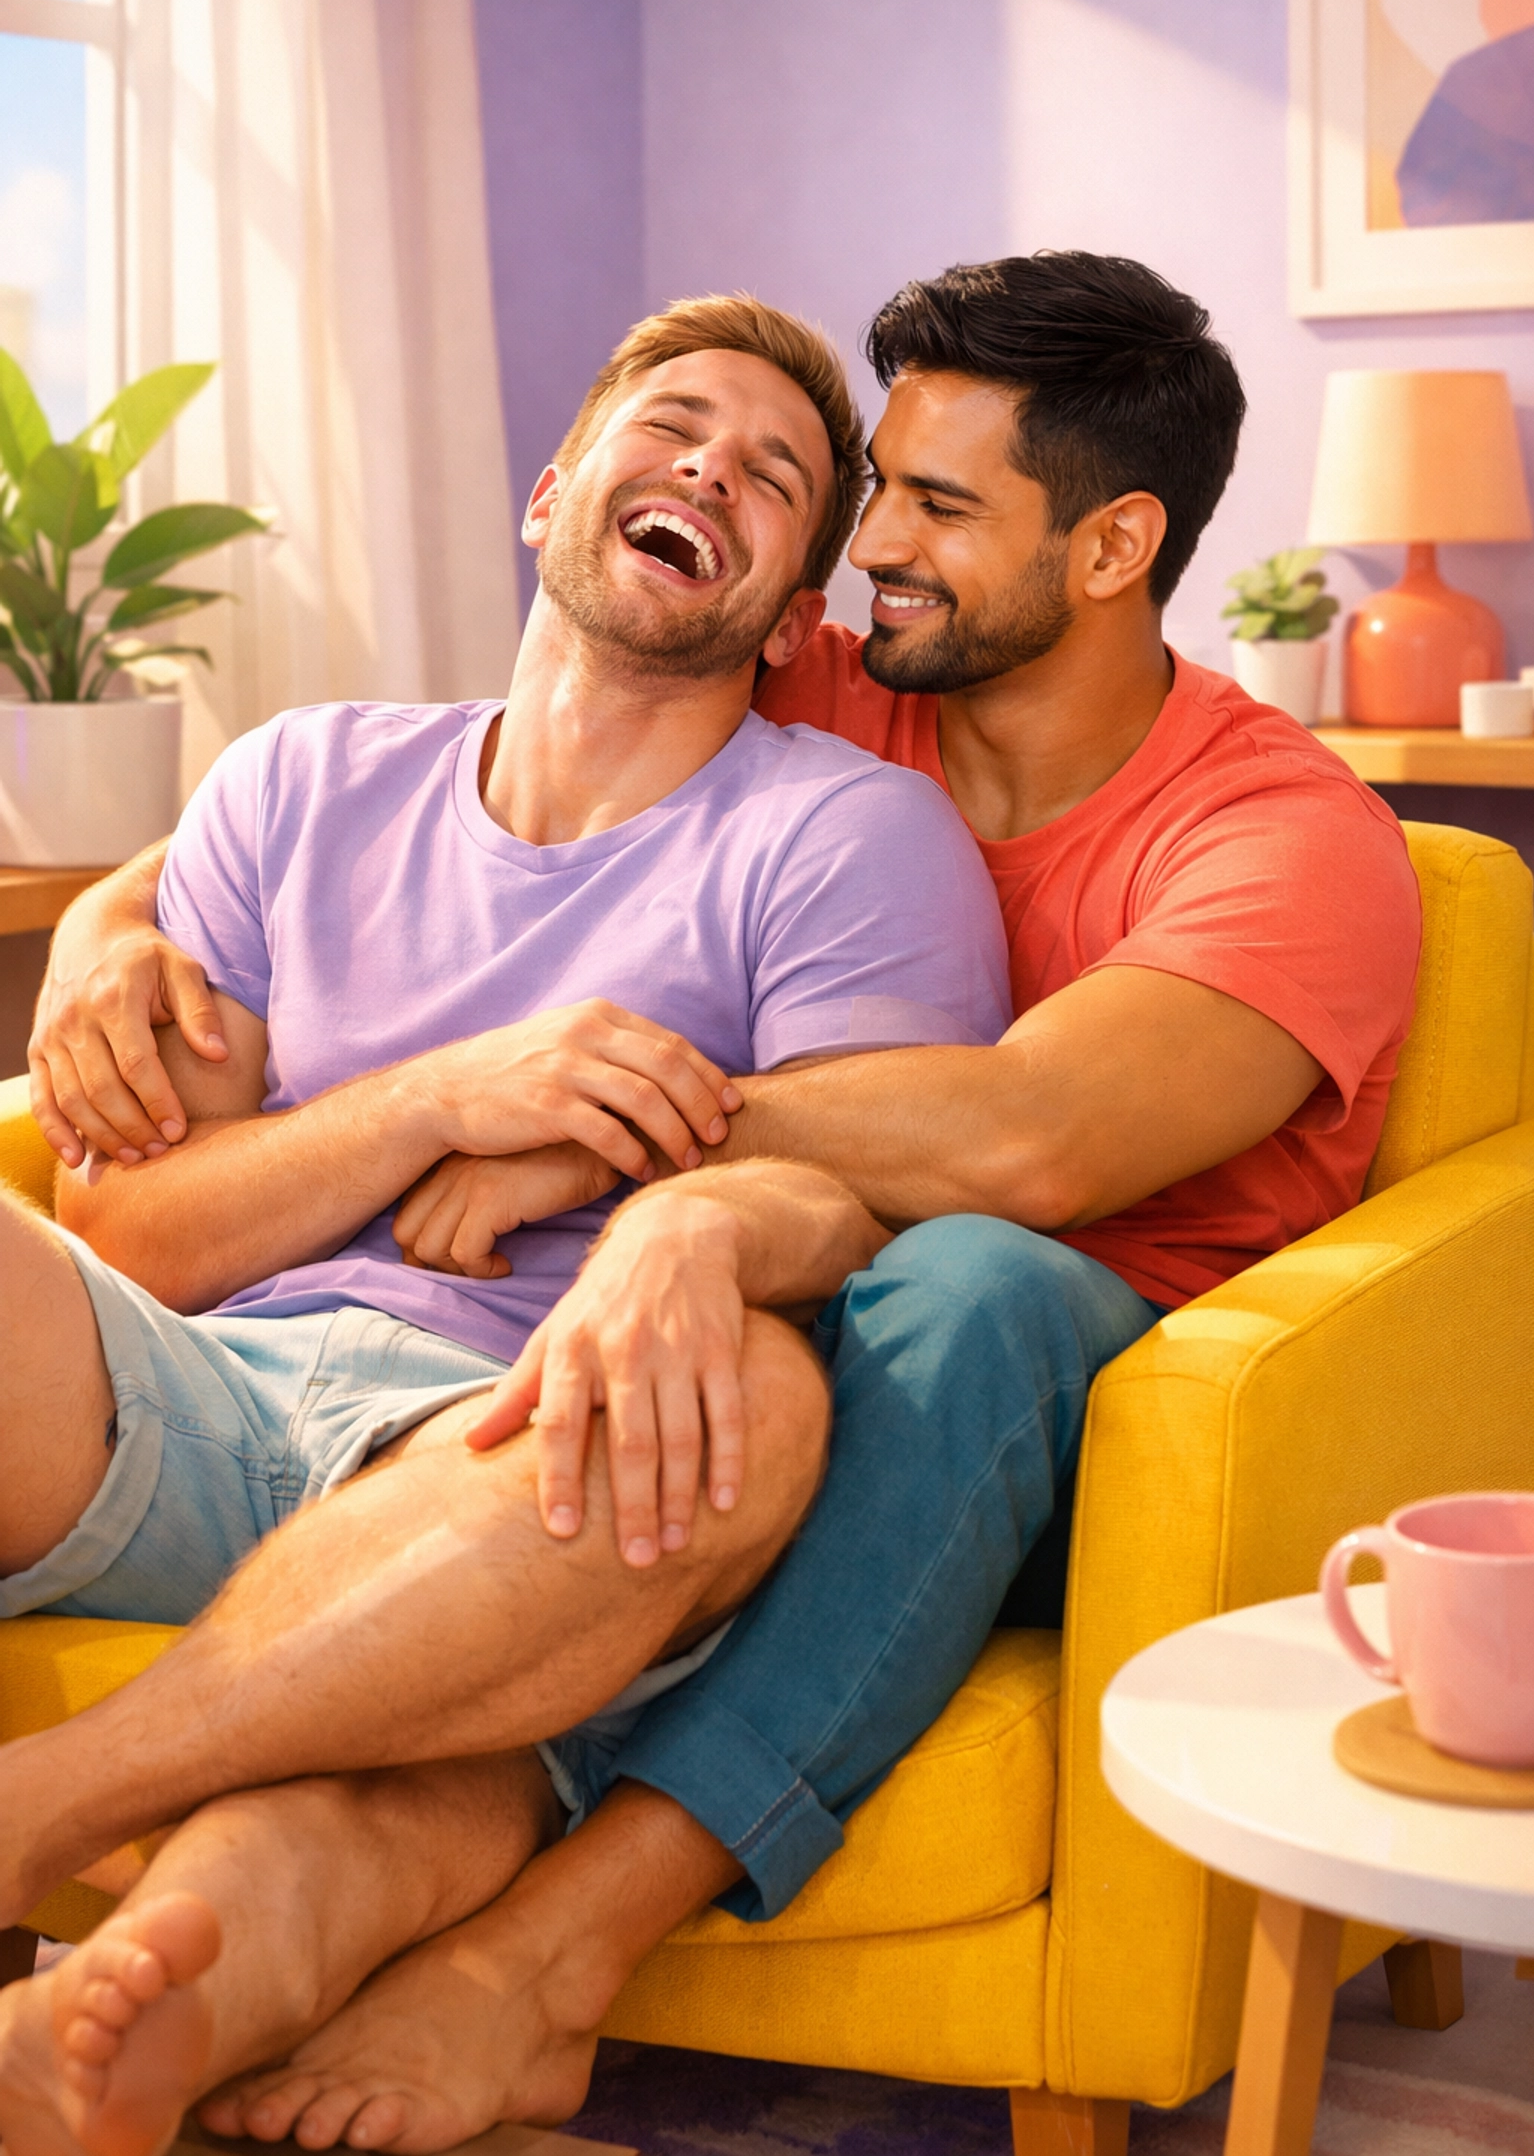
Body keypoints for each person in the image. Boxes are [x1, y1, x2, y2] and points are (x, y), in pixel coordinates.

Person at [11, 255, 1421, 2156]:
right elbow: (326, 814)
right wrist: (105, 937)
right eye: (870, 495)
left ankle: (547, 1965)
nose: (866, 548)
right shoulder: (839, 663)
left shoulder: (1285, 838)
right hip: (643, 1342)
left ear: (1111, 549)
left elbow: (1028, 1150)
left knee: (966, 1293)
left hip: (1064, 1397)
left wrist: (623, 1144)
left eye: (931, 506)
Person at [0, 294, 1022, 2156]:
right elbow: (128, 1233)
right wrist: (435, 1097)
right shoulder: (299, 780)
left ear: (792, 614)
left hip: (512, 1461)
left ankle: (78, 1961)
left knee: (747, 1422)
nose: (712, 463)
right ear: (555, 494)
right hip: (197, 1390)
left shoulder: (846, 838)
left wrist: (674, 1223)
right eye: (672, 425)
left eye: (777, 474)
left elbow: (863, 1188)